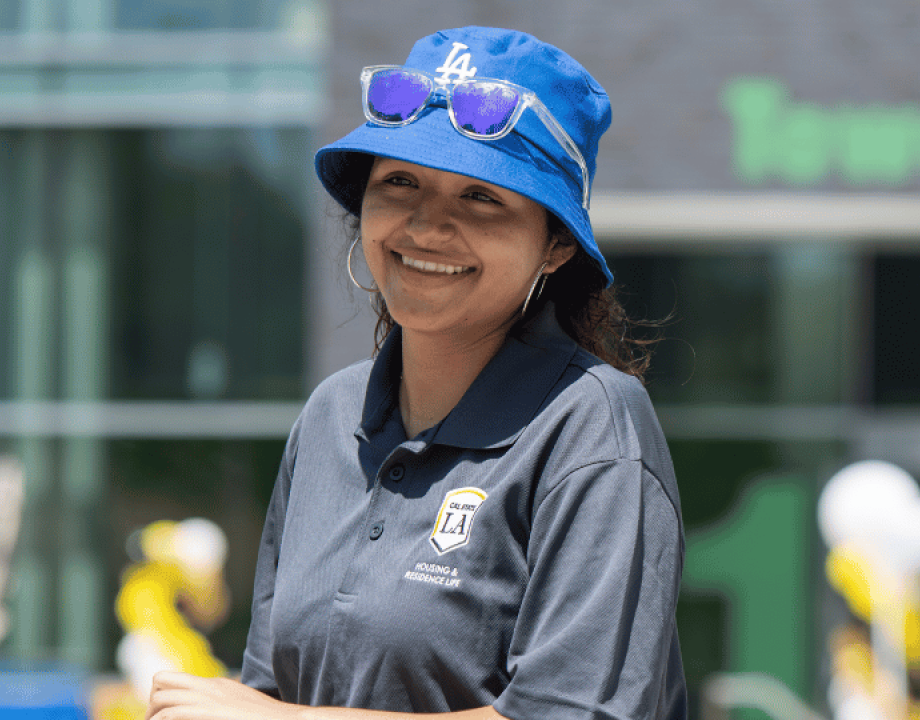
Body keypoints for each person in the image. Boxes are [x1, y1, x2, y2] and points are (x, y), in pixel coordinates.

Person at [144, 27, 687, 720]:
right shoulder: (329, 417)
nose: (428, 227)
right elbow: (270, 688)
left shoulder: (591, 425)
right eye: (400, 181)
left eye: (482, 197)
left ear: (554, 244)